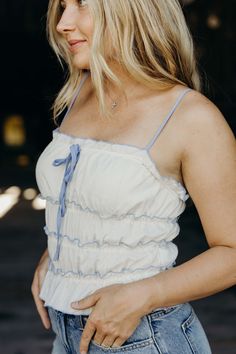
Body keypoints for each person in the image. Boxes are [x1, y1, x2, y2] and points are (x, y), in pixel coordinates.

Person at [31, 0, 236, 353]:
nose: (63, 23)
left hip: (143, 337)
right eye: (62, 6)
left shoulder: (191, 117)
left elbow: (232, 252)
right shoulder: (82, 89)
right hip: (66, 332)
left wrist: (145, 294)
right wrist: (60, 252)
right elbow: (88, 198)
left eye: (82, 5)